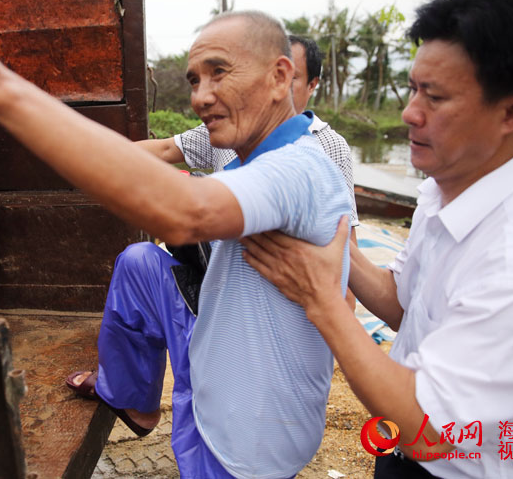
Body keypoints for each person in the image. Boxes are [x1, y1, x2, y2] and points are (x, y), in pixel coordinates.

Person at [0, 0, 352, 475]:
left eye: (220, 73)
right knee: (142, 263)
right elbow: (161, 165)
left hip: (246, 442)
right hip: (216, 376)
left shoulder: (303, 164)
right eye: (194, 80)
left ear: (281, 78)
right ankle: (133, 398)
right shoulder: (250, 151)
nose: (203, 96)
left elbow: (184, 212)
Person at [241, 0, 513, 478]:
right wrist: (339, 243)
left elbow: (430, 429)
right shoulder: (443, 189)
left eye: (434, 97)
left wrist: (322, 299)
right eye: (413, 87)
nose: (409, 113)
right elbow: (404, 305)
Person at [139, 34, 361, 308]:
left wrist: (343, 317)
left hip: (281, 294)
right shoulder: (229, 130)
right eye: (269, 76)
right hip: (218, 274)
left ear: (312, 84)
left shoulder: (325, 147)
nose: (276, 88)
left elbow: (344, 238)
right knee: (138, 261)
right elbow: (165, 151)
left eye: (290, 78)